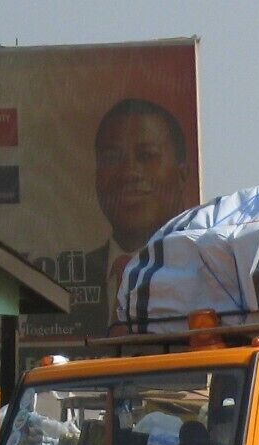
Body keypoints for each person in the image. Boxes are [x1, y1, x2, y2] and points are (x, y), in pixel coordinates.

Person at [88, 98, 194, 331]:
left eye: (146, 156)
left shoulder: (203, 274)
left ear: (182, 175)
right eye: (112, 159)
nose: (129, 173)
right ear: (96, 177)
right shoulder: (69, 281)